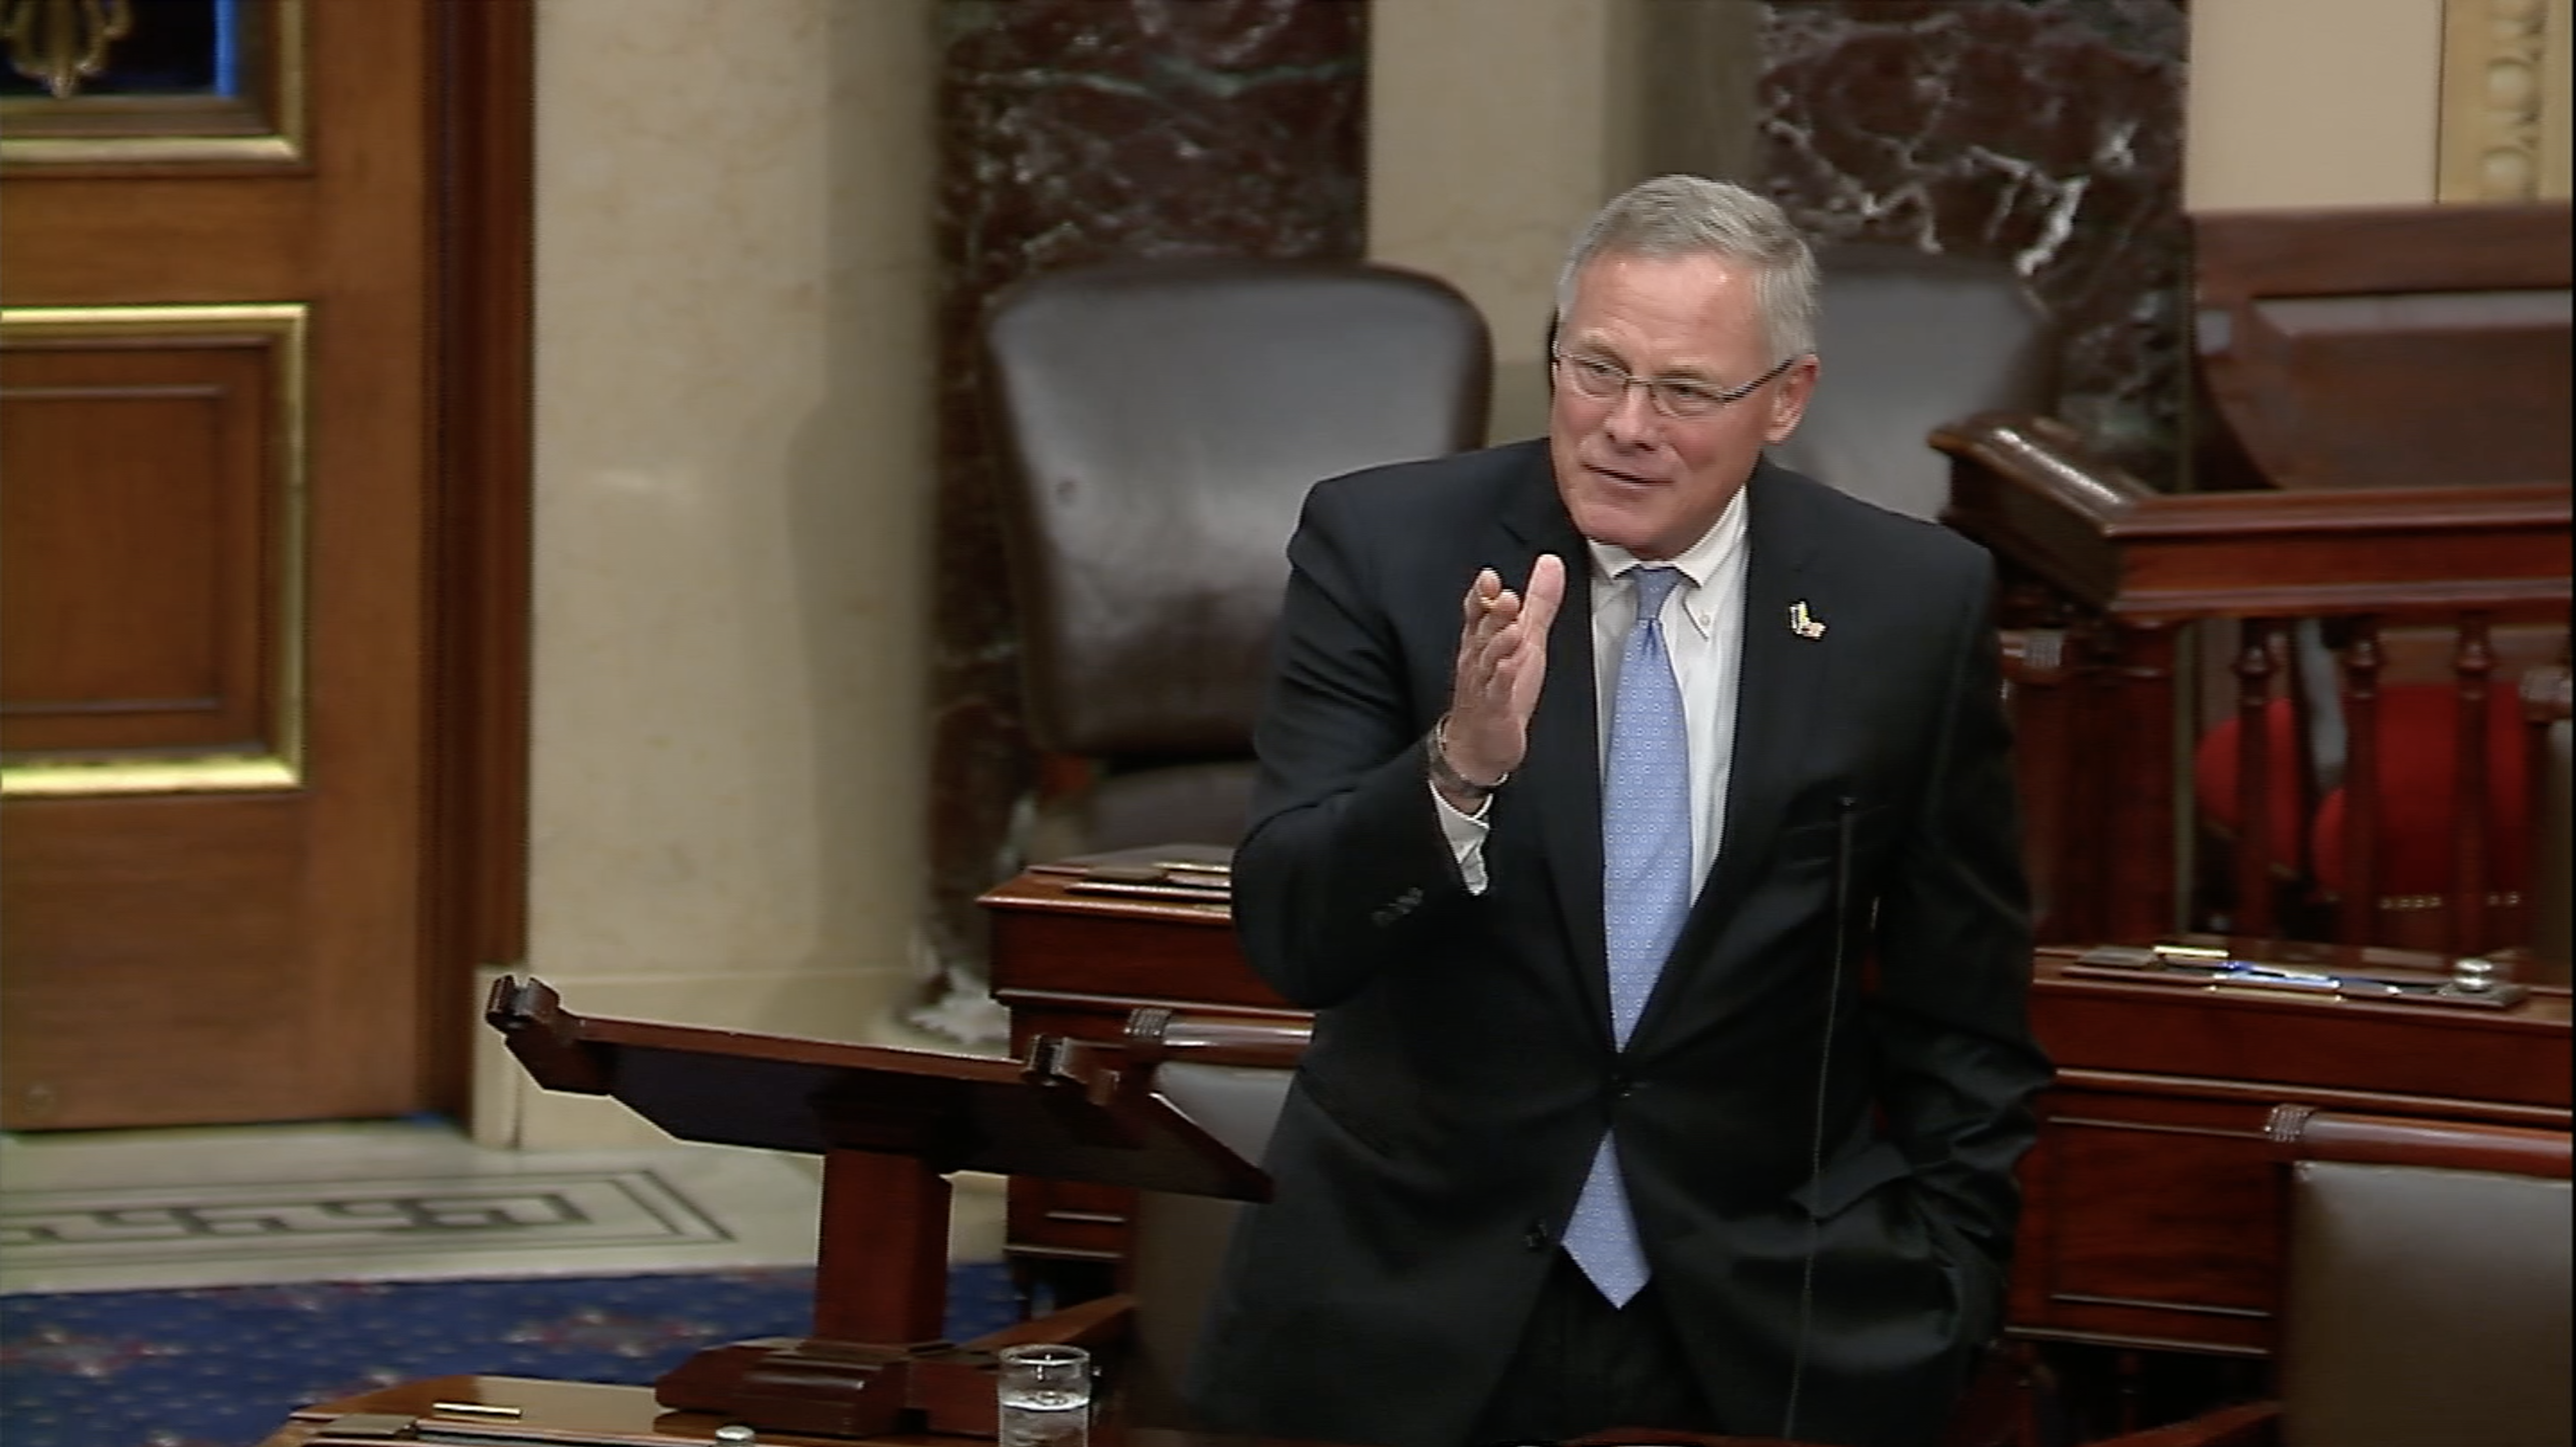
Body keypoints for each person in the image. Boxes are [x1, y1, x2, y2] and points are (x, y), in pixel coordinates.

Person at [1184, 175, 2053, 1447]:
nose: (1624, 426)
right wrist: (1456, 770)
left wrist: (1951, 1285)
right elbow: (1291, 934)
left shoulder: (1909, 603)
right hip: (1411, 1312)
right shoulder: (1384, 548)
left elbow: (1963, 1005)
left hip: (1768, 1323)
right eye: (1594, 370)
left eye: (1687, 392)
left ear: (1787, 400)